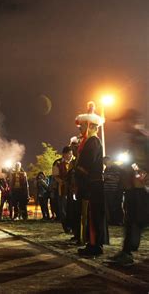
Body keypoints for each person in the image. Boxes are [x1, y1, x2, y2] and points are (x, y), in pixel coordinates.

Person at [108, 109, 148, 265]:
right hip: (133, 188)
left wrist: (140, 177)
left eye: (124, 121)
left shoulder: (142, 139)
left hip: (140, 188)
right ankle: (126, 251)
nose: (122, 125)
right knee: (131, 219)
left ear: (132, 121)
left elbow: (139, 164)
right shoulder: (135, 139)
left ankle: (127, 253)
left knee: (137, 220)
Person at [74, 108, 109, 257]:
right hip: (90, 184)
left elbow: (85, 165)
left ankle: (96, 246)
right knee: (90, 215)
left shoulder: (93, 141)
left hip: (93, 184)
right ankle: (92, 243)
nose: (80, 128)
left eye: (82, 125)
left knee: (94, 216)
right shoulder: (88, 141)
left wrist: (78, 176)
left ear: (91, 126)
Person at [52, 146, 74, 233]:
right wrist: (63, 182)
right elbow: (55, 176)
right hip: (62, 189)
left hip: (72, 189)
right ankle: (66, 227)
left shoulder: (73, 163)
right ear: (64, 154)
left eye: (71, 154)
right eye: (69, 154)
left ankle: (72, 226)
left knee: (72, 208)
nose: (71, 156)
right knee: (63, 209)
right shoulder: (57, 163)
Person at [102, 156, 124, 226]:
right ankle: (112, 221)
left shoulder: (116, 167)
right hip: (108, 190)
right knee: (110, 206)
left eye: (106, 161)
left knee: (116, 206)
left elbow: (117, 178)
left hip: (114, 190)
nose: (105, 163)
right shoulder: (106, 169)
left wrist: (107, 177)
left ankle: (118, 221)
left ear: (110, 160)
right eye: (104, 162)